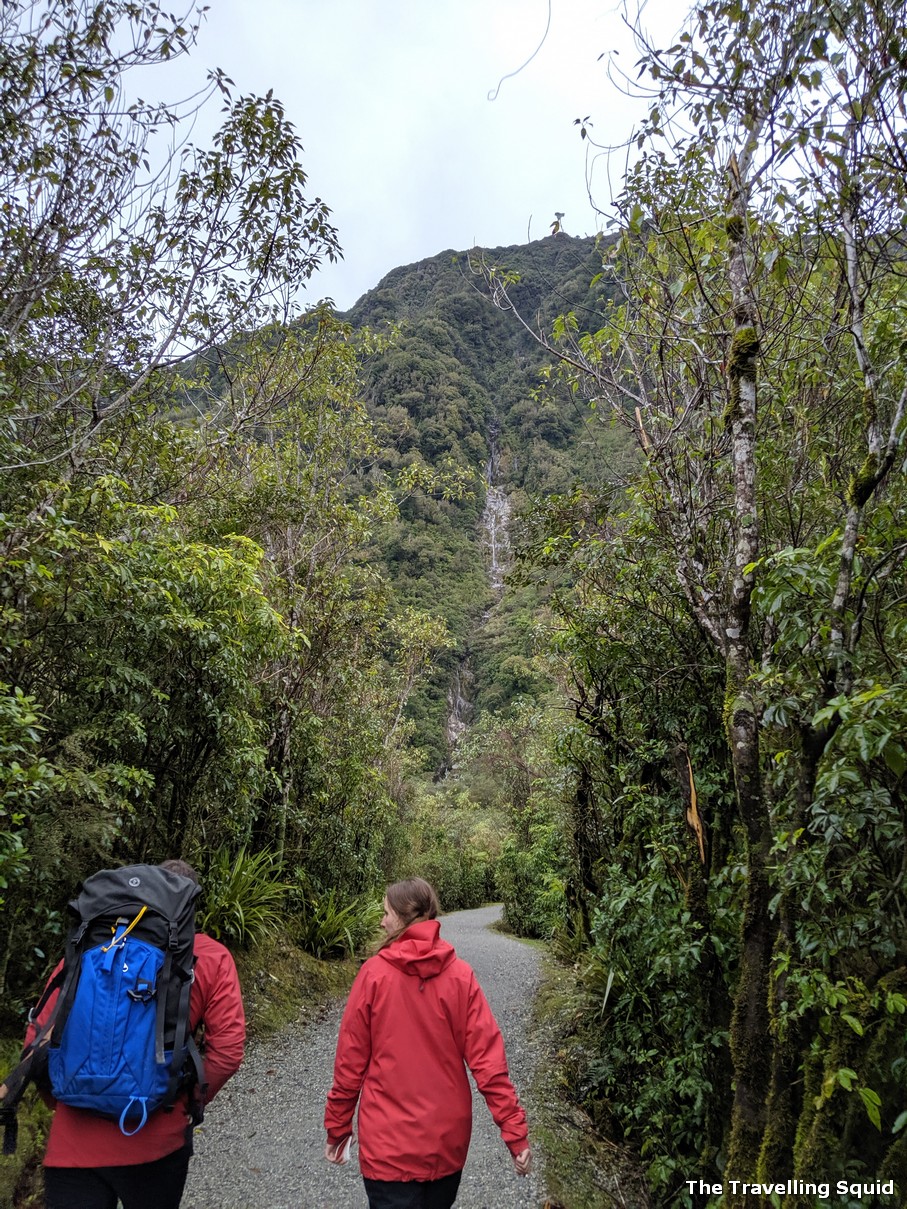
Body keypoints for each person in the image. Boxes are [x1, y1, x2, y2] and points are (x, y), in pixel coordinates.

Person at [25, 859, 245, 1209]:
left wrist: (63, 1098)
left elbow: (36, 1039)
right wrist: (191, 1100)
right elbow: (229, 1050)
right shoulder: (212, 957)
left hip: (72, 1144)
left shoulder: (91, 947)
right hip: (155, 1140)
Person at [324, 877, 532, 1209]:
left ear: (404, 917)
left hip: (387, 1147)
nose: (382, 921)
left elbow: (350, 1065)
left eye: (386, 913)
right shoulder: (460, 977)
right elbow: (489, 1065)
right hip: (445, 1145)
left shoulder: (374, 975)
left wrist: (337, 1128)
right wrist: (514, 1132)